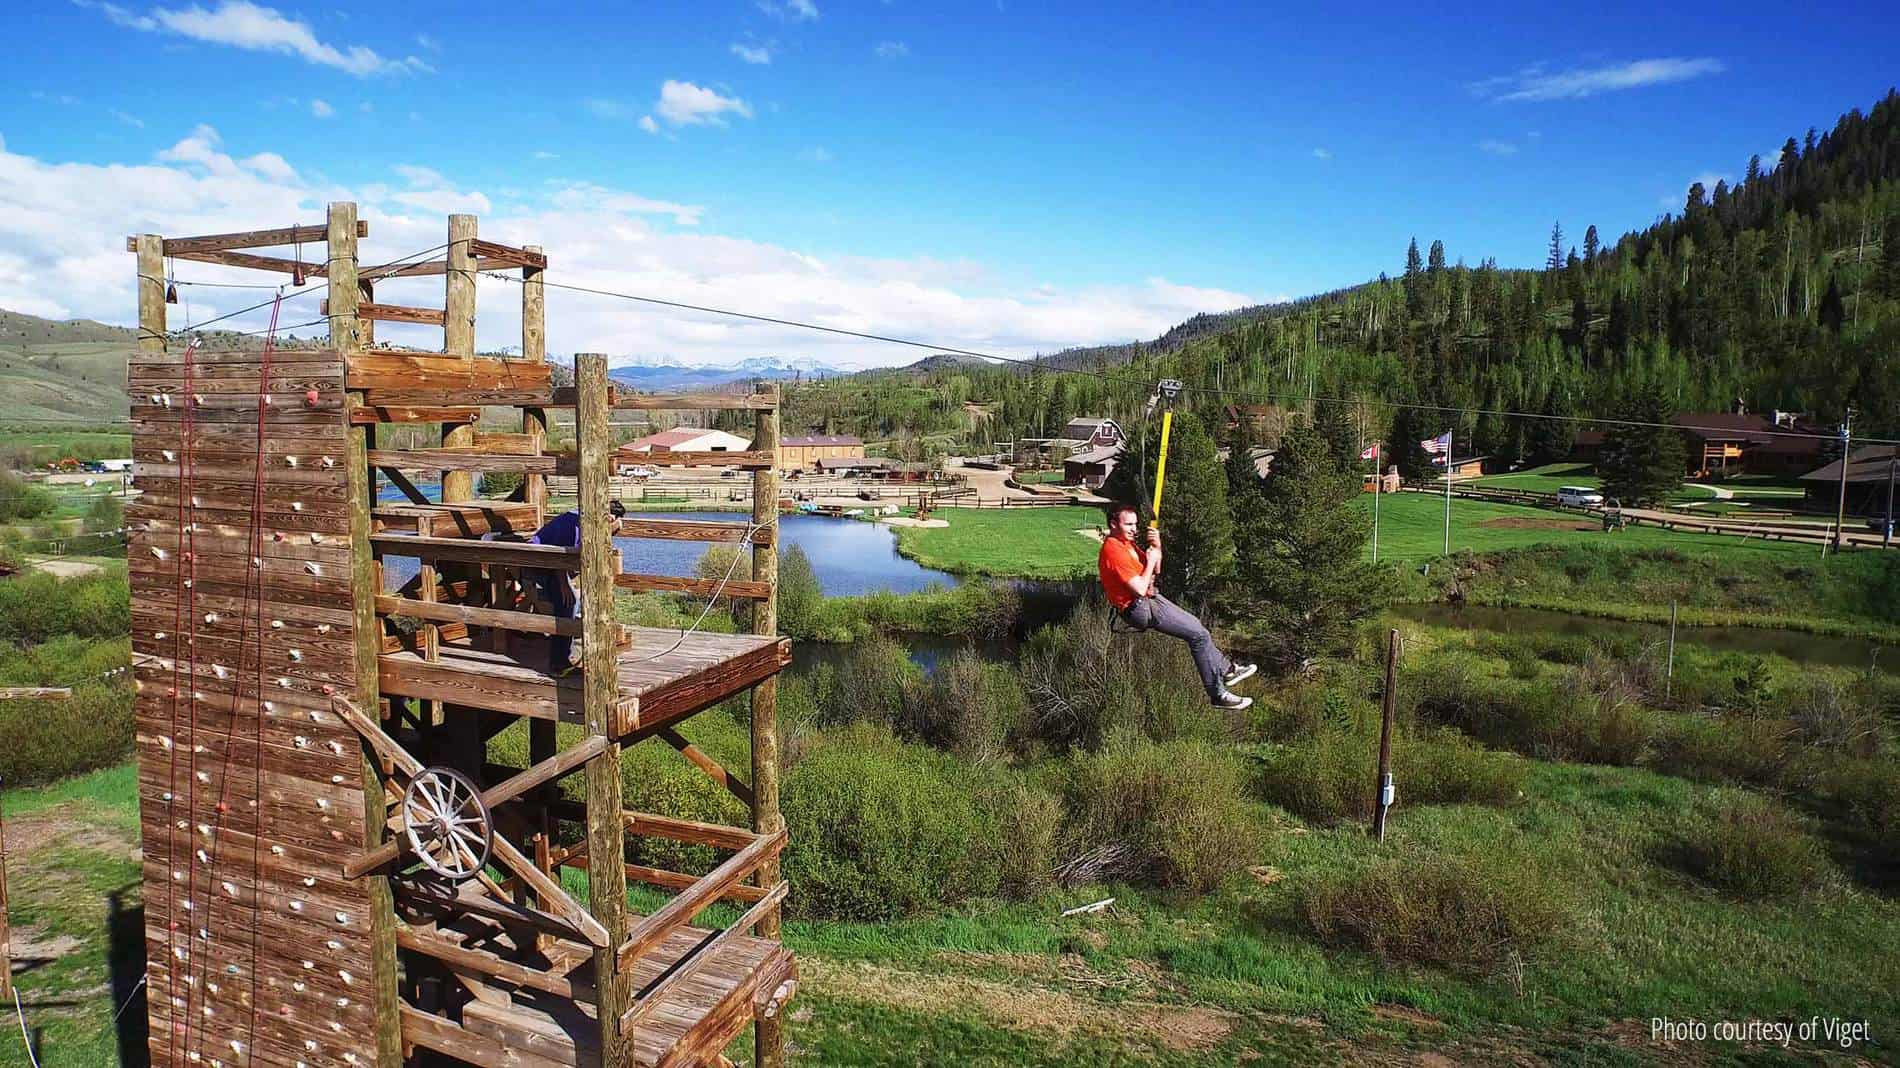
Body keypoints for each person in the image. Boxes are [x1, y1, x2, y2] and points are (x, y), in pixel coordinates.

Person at [1098, 503, 1255, 709]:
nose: (1134, 529)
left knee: (1199, 631)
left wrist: (1157, 548)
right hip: (1140, 606)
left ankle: (1228, 670)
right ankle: (1218, 693)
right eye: (1129, 524)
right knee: (1198, 636)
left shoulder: (1127, 544)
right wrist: (1152, 558)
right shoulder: (1113, 550)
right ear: (1113, 524)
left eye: (1136, 524)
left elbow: (1156, 569)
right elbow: (1138, 587)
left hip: (1149, 599)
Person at [526, 498, 626, 668]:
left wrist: (611, 530)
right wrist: (564, 584)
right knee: (568, 604)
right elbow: (559, 553)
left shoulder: (589, 522)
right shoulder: (572, 524)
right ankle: (558, 662)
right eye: (608, 519)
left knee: (583, 602)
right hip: (539, 564)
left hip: (556, 566)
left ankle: (579, 652)